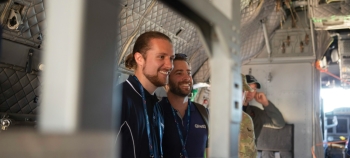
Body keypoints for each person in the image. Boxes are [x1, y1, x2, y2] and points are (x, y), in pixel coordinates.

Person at [116, 31, 175, 158]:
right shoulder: (118, 98)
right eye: (161, 57)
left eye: (171, 58)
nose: (169, 65)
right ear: (139, 59)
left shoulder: (156, 107)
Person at [160, 54, 209, 158]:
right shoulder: (157, 112)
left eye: (189, 73)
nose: (187, 78)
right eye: (179, 73)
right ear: (167, 79)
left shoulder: (203, 113)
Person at [243, 74, 286, 139]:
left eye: (254, 89)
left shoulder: (256, 113)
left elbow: (279, 123)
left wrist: (266, 103)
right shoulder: (227, 110)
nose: (250, 92)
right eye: (247, 88)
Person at [239, 73, 257, 158]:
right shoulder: (210, 117)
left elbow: (251, 152)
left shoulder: (246, 119)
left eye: (243, 91)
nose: (242, 95)